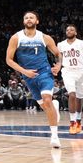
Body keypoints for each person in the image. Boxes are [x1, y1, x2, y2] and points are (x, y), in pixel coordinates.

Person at [5, 11, 62, 148]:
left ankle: (54, 136)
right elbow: (8, 60)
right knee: (45, 106)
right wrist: (24, 72)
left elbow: (57, 53)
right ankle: (54, 107)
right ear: (23, 21)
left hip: (44, 73)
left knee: (47, 100)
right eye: (26, 17)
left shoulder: (44, 37)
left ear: (37, 21)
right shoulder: (16, 38)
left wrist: (58, 65)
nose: (29, 19)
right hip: (28, 76)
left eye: (31, 17)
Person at [57, 24, 83, 134]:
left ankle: (78, 120)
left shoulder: (81, 43)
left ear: (75, 32)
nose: (69, 31)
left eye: (72, 29)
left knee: (79, 97)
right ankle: (72, 122)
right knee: (72, 94)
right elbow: (59, 59)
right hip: (67, 71)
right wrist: (58, 66)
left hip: (81, 70)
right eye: (67, 30)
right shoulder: (60, 44)